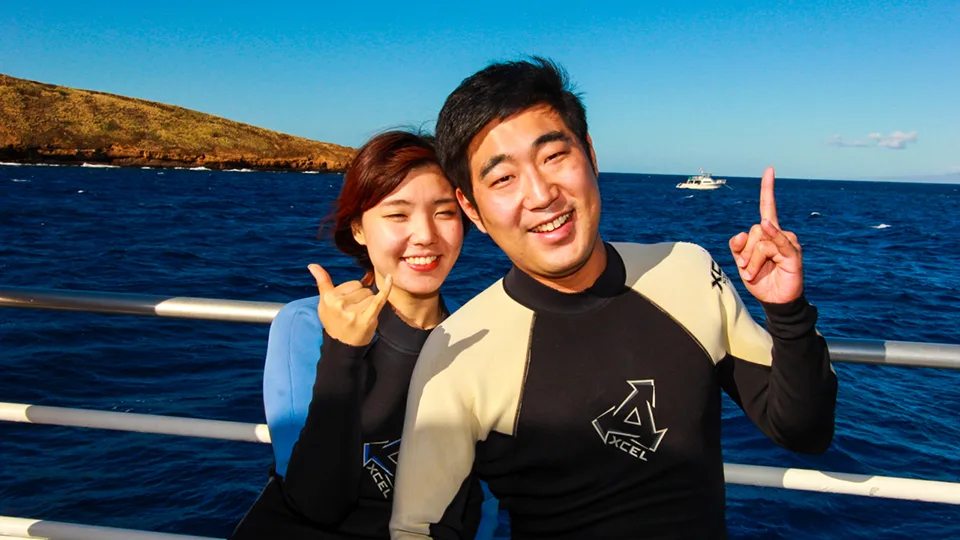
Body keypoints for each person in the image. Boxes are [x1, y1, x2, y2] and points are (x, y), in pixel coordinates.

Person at [389, 58, 838, 539]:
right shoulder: (457, 350)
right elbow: (418, 528)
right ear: (472, 209)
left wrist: (786, 312)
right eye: (503, 179)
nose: (541, 194)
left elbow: (803, 431)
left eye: (553, 156)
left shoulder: (685, 271)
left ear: (592, 157)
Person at [230, 130, 497, 540]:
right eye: (397, 214)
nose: (425, 234)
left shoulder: (478, 341)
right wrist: (344, 352)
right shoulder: (308, 325)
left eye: (444, 212)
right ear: (358, 228)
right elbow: (314, 501)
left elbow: (482, 504)